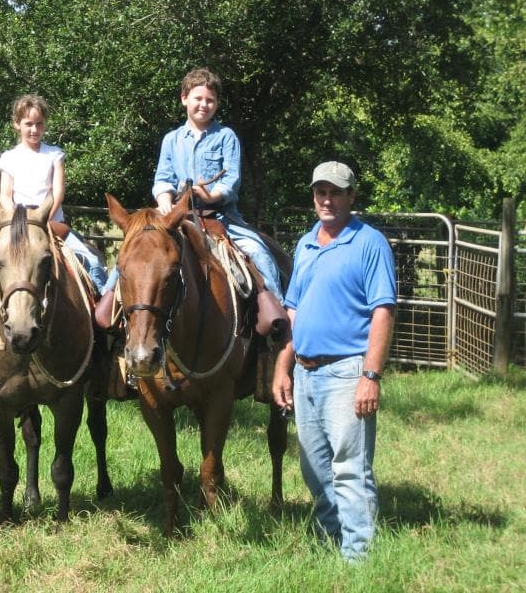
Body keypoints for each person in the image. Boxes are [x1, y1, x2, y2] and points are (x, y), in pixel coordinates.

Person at [272, 161, 396, 562]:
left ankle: (357, 560)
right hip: (305, 373)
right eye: (321, 191)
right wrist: (282, 365)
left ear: (351, 197)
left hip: (347, 370)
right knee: (314, 468)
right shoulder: (307, 243)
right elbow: (293, 310)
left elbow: (383, 311)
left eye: (336, 192)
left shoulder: (369, 243)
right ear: (313, 196)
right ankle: (331, 540)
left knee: (350, 469)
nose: (327, 199)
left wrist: (371, 376)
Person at [99, 67, 283, 302]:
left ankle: (278, 317)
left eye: (210, 100)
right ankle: (107, 304)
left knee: (259, 253)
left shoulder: (226, 137)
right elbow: (163, 179)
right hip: (177, 216)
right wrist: (165, 200)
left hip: (220, 217)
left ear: (216, 104)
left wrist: (209, 196)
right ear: (184, 99)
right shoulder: (172, 139)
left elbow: (231, 181)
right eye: (198, 98)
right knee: (133, 249)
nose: (204, 105)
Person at [0, 94, 108, 294]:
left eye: (39, 124)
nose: (34, 130)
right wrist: (16, 221)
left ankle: (103, 319)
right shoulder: (9, 158)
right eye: (29, 124)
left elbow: (58, 192)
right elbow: (5, 196)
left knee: (93, 262)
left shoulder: (54, 154)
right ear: (17, 124)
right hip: (16, 225)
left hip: (52, 225)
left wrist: (41, 219)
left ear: (45, 124)